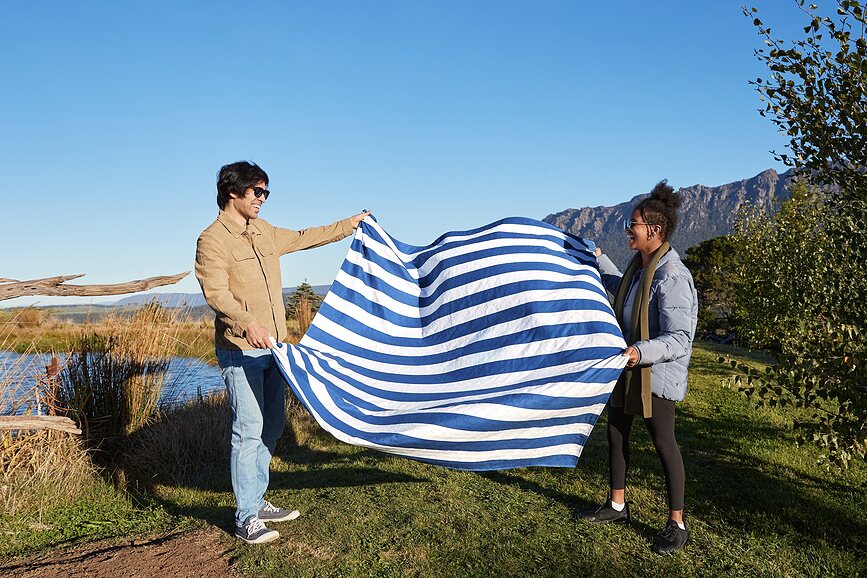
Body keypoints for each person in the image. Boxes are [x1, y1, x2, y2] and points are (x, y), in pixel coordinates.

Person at [195, 161, 369, 544]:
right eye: (257, 192)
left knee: (272, 427)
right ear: (232, 192)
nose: (263, 199)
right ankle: (245, 518)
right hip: (240, 351)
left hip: (275, 350)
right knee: (248, 431)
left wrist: (350, 224)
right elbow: (217, 293)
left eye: (265, 193)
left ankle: (256, 501)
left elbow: (307, 236)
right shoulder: (212, 240)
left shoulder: (266, 232)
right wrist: (247, 324)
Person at [578, 180, 698, 555]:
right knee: (616, 433)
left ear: (655, 231)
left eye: (633, 224)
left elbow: (680, 338)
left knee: (664, 444)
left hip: (655, 375)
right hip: (629, 365)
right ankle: (617, 506)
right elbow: (622, 292)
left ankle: (677, 524)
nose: (627, 229)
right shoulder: (638, 267)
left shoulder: (673, 276)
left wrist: (638, 352)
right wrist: (598, 257)